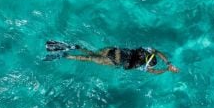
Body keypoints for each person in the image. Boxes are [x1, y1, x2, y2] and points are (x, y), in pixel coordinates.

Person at [45, 40, 179, 74]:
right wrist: (167, 70)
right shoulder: (142, 66)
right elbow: (154, 72)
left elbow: (158, 52)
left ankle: (76, 47)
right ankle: (65, 55)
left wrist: (168, 63)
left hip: (113, 50)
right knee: (89, 59)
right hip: (113, 60)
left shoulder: (146, 50)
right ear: (148, 63)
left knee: (92, 53)